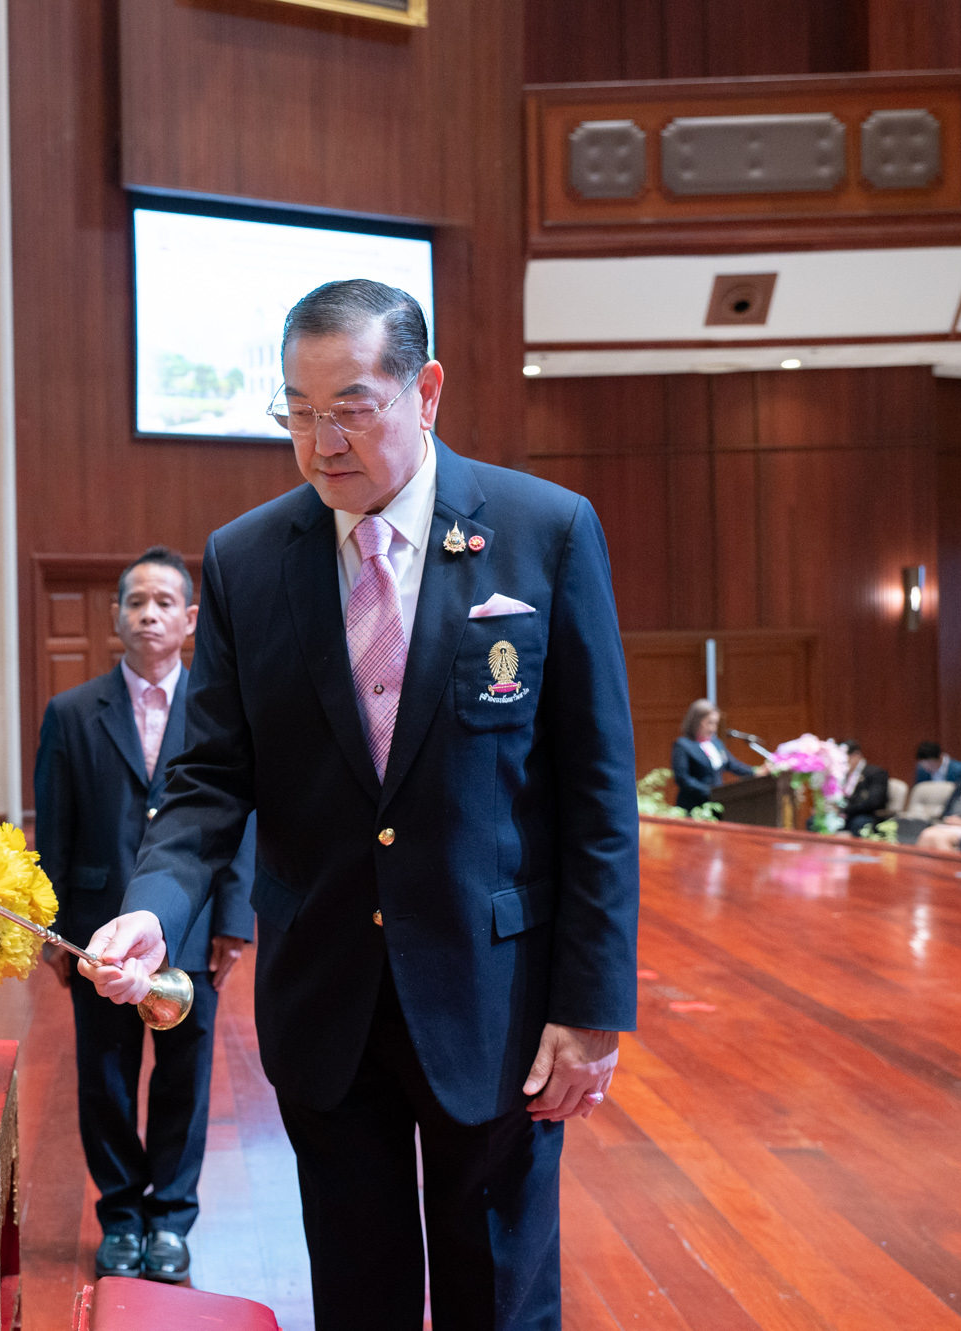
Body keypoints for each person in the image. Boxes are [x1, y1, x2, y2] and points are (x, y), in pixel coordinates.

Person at [81, 280, 638, 1331]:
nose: (320, 439)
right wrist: (156, 903)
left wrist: (591, 1007)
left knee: (500, 1299)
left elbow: (597, 789)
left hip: (496, 998)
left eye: (350, 405)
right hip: (327, 999)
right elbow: (208, 776)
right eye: (295, 409)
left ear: (423, 390)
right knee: (356, 1292)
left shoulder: (542, 532)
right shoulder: (249, 558)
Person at [34, 546, 255, 1284]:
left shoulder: (221, 712)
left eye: (165, 602)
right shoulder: (71, 713)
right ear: (116, 617)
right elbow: (54, 832)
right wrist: (58, 935)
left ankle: (172, 1217)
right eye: (137, 602)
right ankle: (122, 1214)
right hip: (99, 928)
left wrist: (234, 919)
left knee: (184, 1078)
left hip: (191, 930)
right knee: (105, 1075)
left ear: (192, 620)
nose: (150, 614)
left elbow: (240, 823)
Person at [670, 699, 754, 812]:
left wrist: (755, 772)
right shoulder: (683, 745)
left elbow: (732, 764)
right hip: (694, 806)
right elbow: (682, 779)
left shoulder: (716, 743)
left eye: (715, 723)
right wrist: (709, 792)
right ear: (696, 721)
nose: (713, 728)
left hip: (717, 804)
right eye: (709, 723)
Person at [837, 741, 891, 835]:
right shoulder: (841, 774)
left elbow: (874, 801)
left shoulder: (875, 773)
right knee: (815, 820)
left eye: (844, 758)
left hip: (865, 814)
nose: (841, 763)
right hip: (844, 814)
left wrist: (845, 809)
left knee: (859, 823)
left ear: (856, 755)